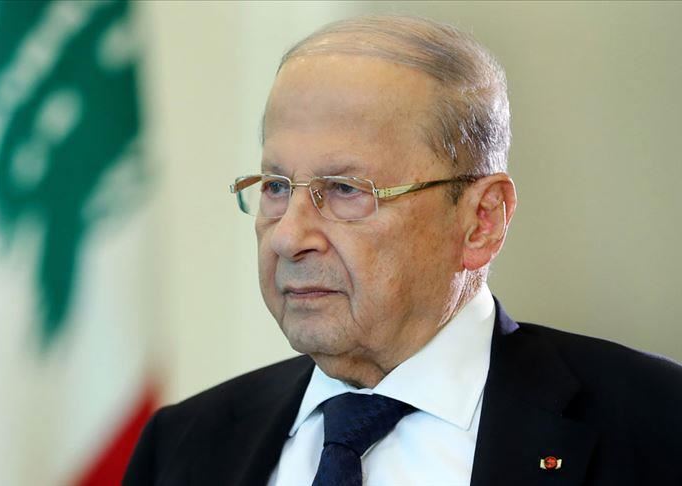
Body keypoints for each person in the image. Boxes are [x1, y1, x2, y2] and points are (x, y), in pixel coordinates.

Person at [124, 14, 682, 486]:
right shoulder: (182, 446)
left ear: (481, 221)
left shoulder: (658, 425)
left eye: (345, 190)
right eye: (275, 187)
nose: (290, 237)